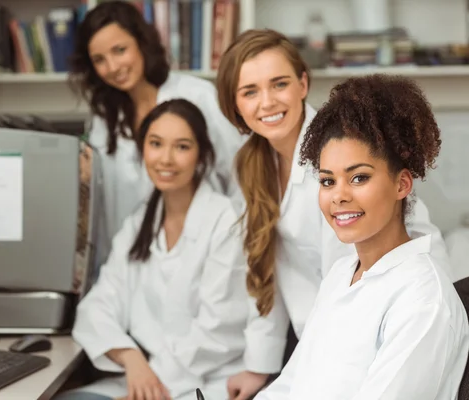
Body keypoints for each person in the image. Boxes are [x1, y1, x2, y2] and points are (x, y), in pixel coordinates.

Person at [214, 29, 451, 400]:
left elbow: (356, 257)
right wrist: (260, 366)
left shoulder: (336, 151)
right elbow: (269, 266)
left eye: (279, 84)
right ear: (234, 104)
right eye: (249, 91)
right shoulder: (253, 163)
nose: (267, 102)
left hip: (382, 310)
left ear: (303, 83)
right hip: (328, 329)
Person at [254, 73, 469, 399]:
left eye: (358, 178)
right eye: (327, 181)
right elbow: (291, 385)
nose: (338, 196)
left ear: (402, 184)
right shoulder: (341, 275)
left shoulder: (423, 300)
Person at [54, 99, 249, 400]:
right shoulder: (139, 224)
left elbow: (218, 331)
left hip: (204, 383)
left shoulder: (225, 221)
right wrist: (131, 358)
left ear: (201, 155)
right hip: (145, 377)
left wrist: (151, 383)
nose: (166, 159)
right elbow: (98, 306)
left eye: (182, 147)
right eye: (155, 144)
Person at [71, 1, 244, 260]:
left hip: (203, 250)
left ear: (141, 42)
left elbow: (240, 171)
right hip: (128, 255)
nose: (113, 67)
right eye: (99, 60)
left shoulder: (197, 95)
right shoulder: (104, 116)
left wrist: (237, 241)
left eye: (120, 50)